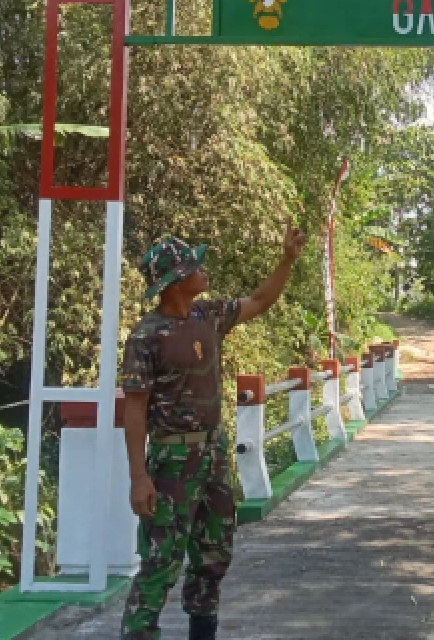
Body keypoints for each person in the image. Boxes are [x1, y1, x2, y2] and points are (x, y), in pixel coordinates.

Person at [120, 226, 308, 640]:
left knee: (214, 554)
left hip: (213, 453)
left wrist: (287, 260)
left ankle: (202, 632)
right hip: (171, 461)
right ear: (175, 281)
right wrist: (138, 477)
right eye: (195, 266)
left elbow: (260, 301)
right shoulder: (146, 336)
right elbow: (134, 409)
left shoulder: (208, 316)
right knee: (161, 562)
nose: (203, 270)